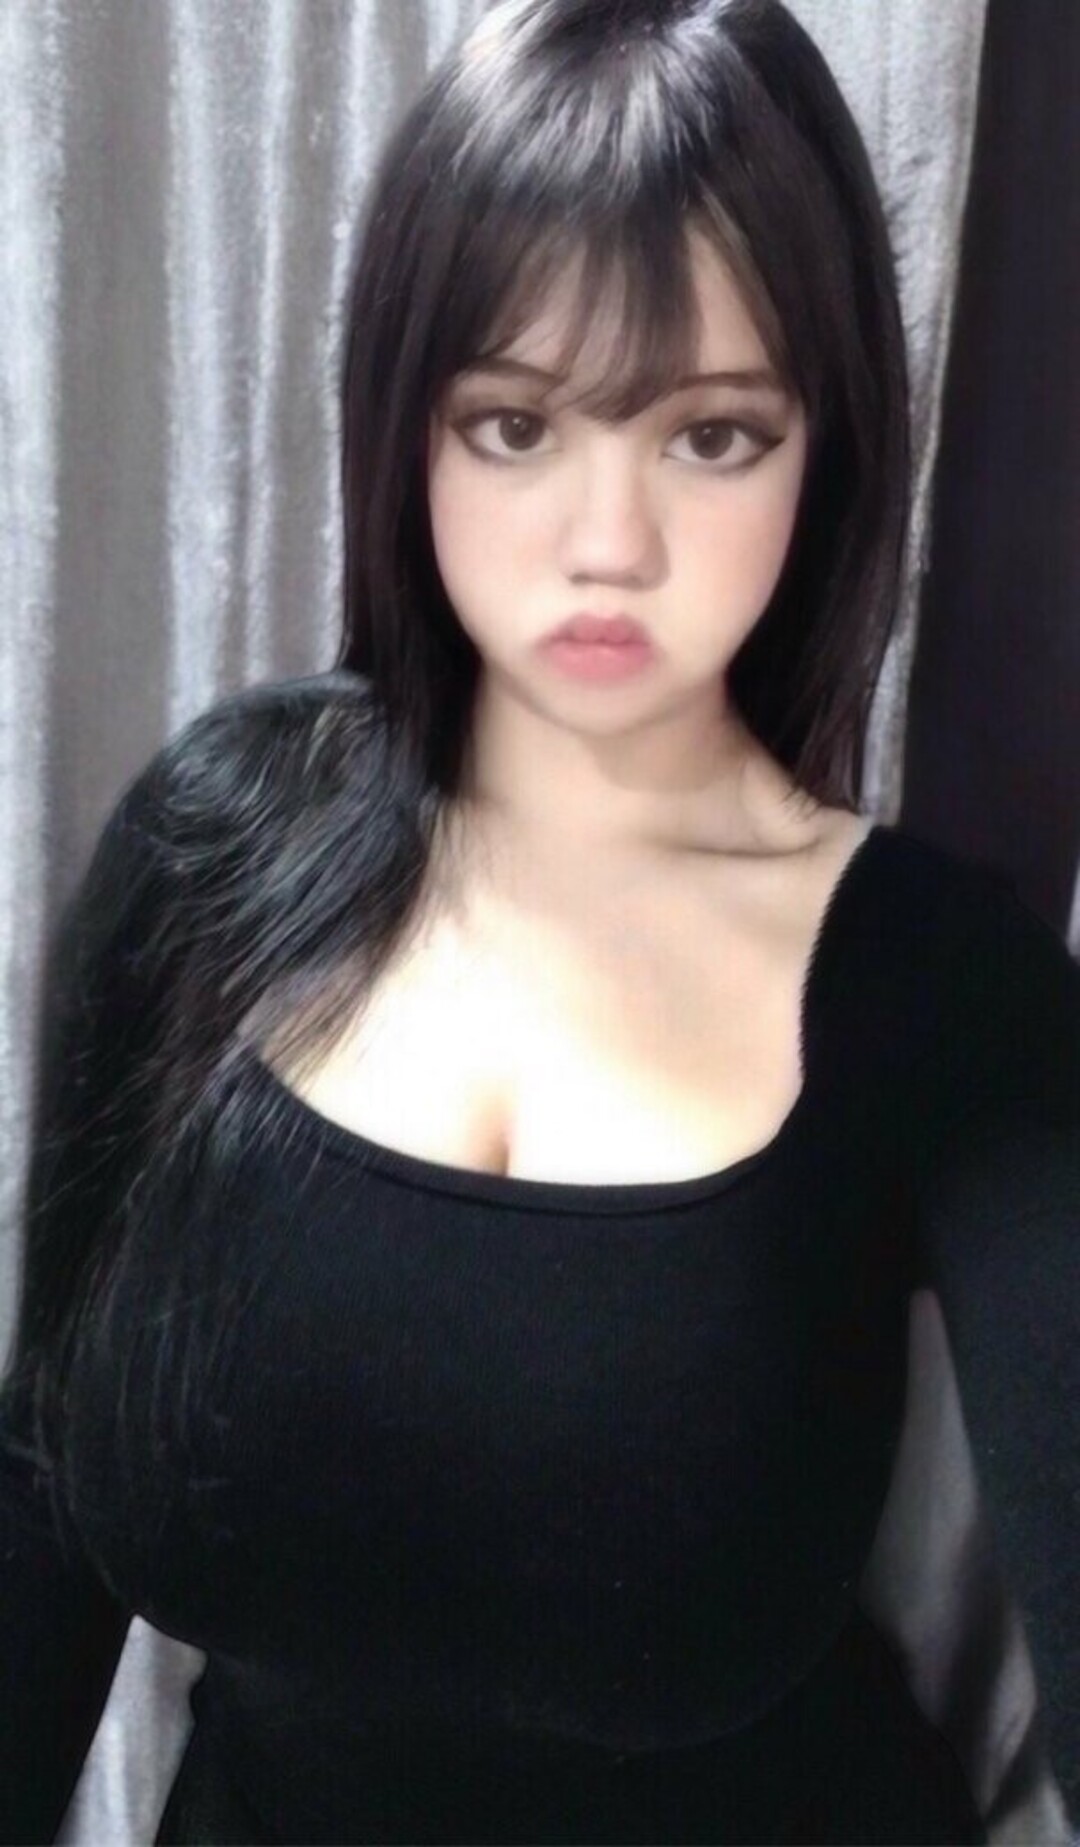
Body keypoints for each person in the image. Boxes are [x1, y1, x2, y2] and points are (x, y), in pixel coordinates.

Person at [1, 0, 1078, 1841]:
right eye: (514, 424)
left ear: (824, 448)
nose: (607, 545)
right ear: (407, 428)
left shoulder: (940, 990)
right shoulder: (213, 851)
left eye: (711, 437)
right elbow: (41, 1499)